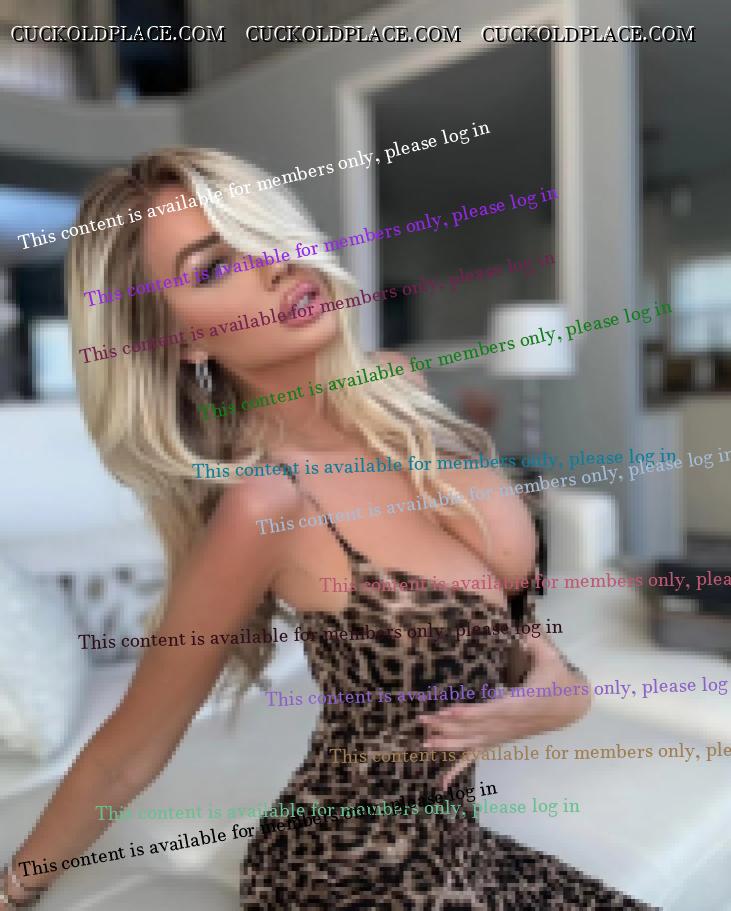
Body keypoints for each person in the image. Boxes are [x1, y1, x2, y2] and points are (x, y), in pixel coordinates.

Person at [1, 148, 653, 909]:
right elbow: (127, 754)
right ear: (183, 342)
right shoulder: (266, 504)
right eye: (215, 268)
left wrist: (565, 692)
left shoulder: (399, 391)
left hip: (459, 850)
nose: (272, 264)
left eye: (261, 232)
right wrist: (12, 888)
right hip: (344, 874)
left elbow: (500, 629)